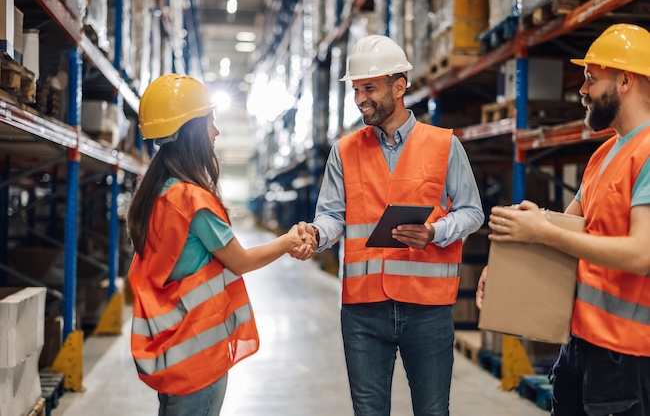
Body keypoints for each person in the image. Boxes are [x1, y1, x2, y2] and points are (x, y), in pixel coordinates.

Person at [292, 35, 484, 416]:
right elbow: (333, 216)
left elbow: (471, 212)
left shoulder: (444, 145)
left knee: (432, 411)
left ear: (399, 87)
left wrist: (434, 232)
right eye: (356, 89)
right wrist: (316, 235)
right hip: (363, 310)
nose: (360, 98)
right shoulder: (344, 151)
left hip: (427, 308)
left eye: (370, 88)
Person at [476, 23, 650, 416]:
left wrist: (544, 231)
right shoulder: (604, 154)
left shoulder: (648, 153)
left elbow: (642, 253)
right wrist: (505, 266)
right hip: (580, 346)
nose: (582, 89)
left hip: (628, 357)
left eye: (591, 77)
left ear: (625, 80)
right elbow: (557, 225)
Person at [125, 73, 313, 416]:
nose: (217, 131)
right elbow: (239, 261)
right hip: (197, 354)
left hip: (169, 351)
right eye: (210, 122)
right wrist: (287, 241)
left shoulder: (156, 194)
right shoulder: (193, 200)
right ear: (193, 130)